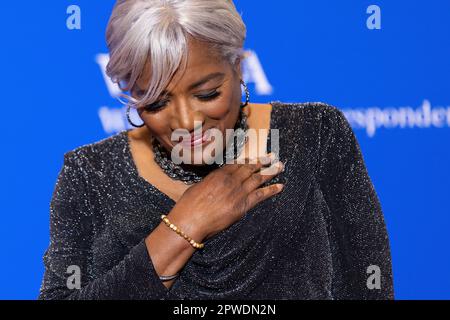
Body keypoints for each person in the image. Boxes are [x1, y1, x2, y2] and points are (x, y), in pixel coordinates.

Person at [38, 0, 394, 299]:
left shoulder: (316, 135)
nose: (187, 121)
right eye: (157, 104)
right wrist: (184, 224)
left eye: (207, 93)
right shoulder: (91, 173)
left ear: (239, 67)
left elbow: (370, 288)